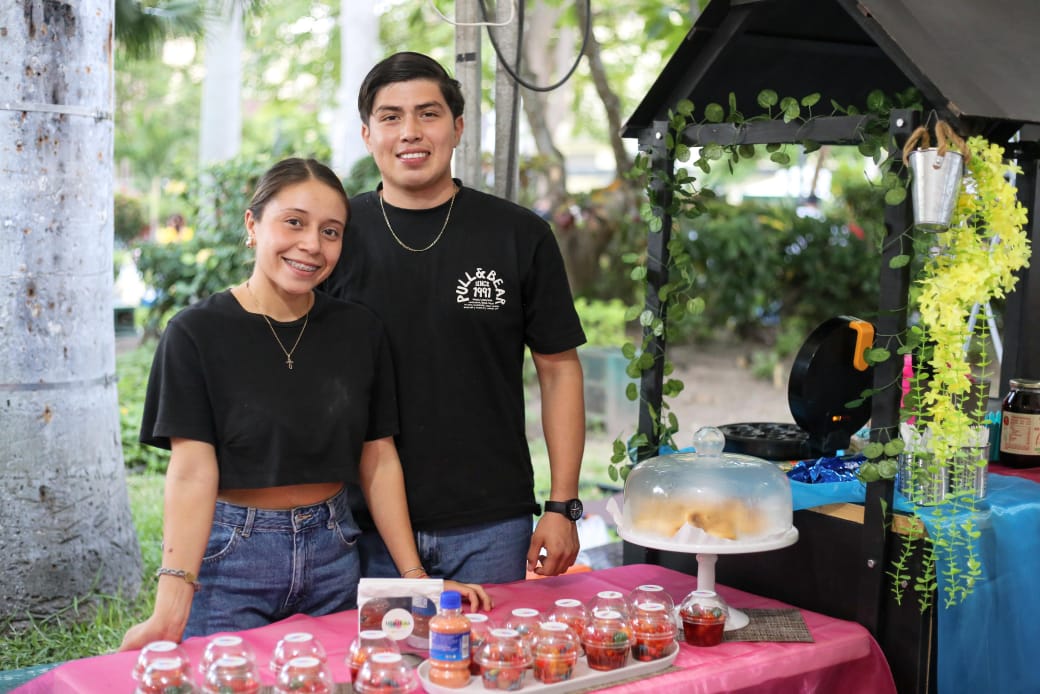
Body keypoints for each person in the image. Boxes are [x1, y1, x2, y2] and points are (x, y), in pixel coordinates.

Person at [120, 158, 489, 650]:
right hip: (232, 557)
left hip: (334, 552)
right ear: (253, 224)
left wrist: (416, 580)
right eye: (294, 222)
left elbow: (377, 457)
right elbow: (191, 473)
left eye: (330, 231)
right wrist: (169, 609)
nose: (312, 245)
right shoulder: (196, 333)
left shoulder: (360, 331)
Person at [323, 52, 587, 585]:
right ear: (367, 133)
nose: (410, 132)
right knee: (376, 670)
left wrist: (563, 506)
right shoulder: (335, 237)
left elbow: (558, 369)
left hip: (490, 521)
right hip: (357, 524)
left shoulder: (518, 235)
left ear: (458, 127)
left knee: (498, 666)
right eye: (391, 117)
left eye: (429, 113)